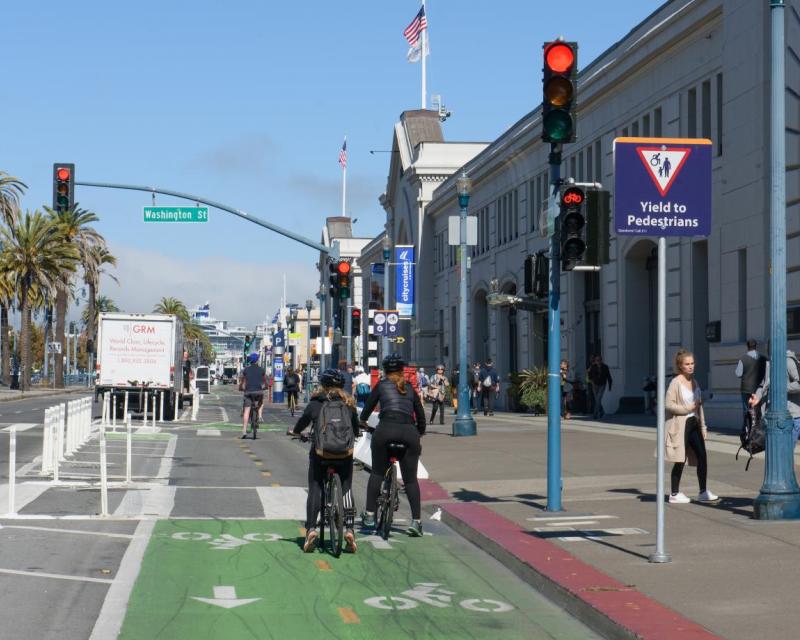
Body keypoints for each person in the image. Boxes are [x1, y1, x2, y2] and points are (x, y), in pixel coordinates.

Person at [288, 368, 360, 553]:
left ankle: (311, 529)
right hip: (344, 455)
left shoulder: (316, 403)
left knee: (315, 487)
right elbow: (356, 430)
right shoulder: (349, 404)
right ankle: (350, 529)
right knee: (346, 487)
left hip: (321, 454)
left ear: (323, 385)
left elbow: (302, 423)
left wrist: (296, 433)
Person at [360, 353, 426, 537]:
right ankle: (416, 522)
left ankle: (370, 515)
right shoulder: (410, 388)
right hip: (408, 433)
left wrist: (363, 422)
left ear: (385, 370)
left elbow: (366, 411)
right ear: (401, 370)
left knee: (377, 473)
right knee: (410, 480)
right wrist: (419, 432)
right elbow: (420, 416)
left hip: (386, 430)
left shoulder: (381, 385)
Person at [664, 348, 717, 504]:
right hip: (681, 424)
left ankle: (703, 491)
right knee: (680, 458)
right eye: (687, 364)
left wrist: (704, 427)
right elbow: (668, 405)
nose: (690, 366)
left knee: (702, 457)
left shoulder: (695, 382)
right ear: (680, 365)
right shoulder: (675, 382)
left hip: (694, 423)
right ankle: (674, 493)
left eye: (692, 363)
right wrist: (686, 409)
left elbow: (699, 406)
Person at [750, 348, 800, 448]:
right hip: (772, 416)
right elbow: (763, 385)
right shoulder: (770, 363)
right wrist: (758, 396)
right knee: (775, 452)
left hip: (791, 416)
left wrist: (781, 387)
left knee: (785, 453)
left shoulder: (789, 361)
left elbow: (799, 384)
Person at [735, 339, 768, 415]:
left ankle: (747, 425)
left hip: (746, 388)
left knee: (746, 410)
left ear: (747, 346)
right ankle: (757, 425)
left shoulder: (743, 359)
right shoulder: (763, 359)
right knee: (758, 408)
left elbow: (738, 374)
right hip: (759, 388)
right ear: (755, 346)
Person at [239, 353, 266, 439]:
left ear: (250, 361)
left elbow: (243, 382)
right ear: (257, 360)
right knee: (261, 401)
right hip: (258, 391)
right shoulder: (262, 370)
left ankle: (244, 430)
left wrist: (241, 387)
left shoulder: (246, 370)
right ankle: (260, 416)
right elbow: (263, 381)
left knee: (246, 410)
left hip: (248, 392)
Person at [587, 355, 613, 420]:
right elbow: (589, 374)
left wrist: (610, 386)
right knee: (597, 400)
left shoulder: (605, 367)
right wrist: (591, 381)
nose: (598, 361)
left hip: (602, 384)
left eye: (599, 360)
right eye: (596, 360)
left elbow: (609, 376)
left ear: (601, 360)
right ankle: (601, 412)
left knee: (598, 399)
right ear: (595, 361)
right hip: (594, 384)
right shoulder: (593, 367)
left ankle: (595, 414)